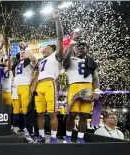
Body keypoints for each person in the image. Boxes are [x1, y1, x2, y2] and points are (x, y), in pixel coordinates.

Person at [62, 28, 101, 143]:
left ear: (87, 50)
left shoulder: (92, 62)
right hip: (74, 87)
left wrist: (97, 91)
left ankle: (80, 138)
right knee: (72, 114)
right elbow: (64, 61)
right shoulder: (70, 59)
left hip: (88, 87)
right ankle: (68, 137)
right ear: (74, 49)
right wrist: (72, 43)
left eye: (84, 47)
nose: (81, 48)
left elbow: (95, 78)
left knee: (84, 115)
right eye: (79, 46)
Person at [33, 11, 63, 144]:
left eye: (46, 48)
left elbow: (60, 38)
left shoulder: (56, 55)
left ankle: (53, 137)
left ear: (52, 49)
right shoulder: (41, 61)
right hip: (39, 86)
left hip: (50, 83)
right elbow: (37, 75)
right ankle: (40, 136)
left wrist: (57, 21)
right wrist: (33, 88)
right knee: (39, 113)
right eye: (43, 48)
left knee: (52, 114)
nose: (44, 50)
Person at [11, 41, 37, 142]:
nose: (22, 53)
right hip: (15, 87)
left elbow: (34, 58)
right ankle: (15, 128)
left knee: (26, 110)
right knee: (15, 110)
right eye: (20, 52)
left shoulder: (29, 62)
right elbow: (14, 76)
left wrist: (26, 48)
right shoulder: (16, 64)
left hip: (25, 86)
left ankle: (27, 130)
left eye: (23, 52)